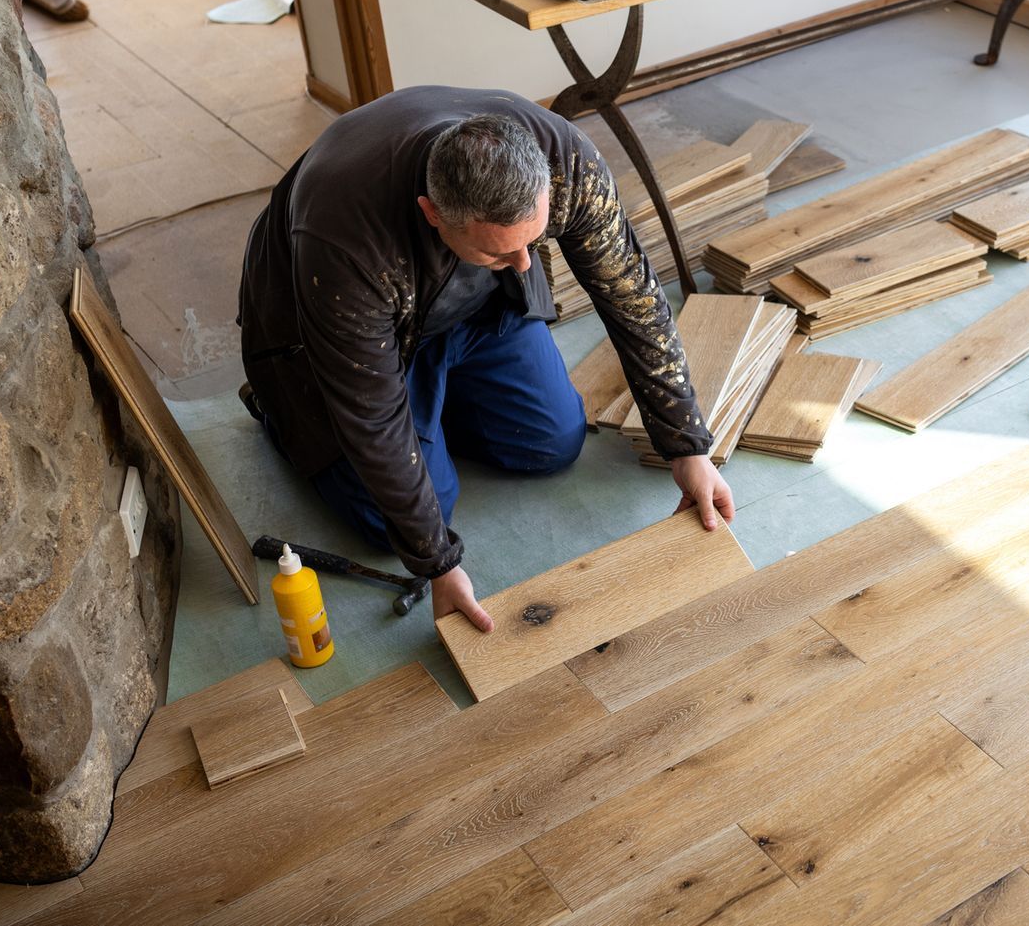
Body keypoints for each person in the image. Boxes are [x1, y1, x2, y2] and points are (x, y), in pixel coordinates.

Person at [236, 86, 733, 631]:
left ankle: (433, 405)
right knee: (395, 524)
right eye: (500, 250)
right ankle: (280, 408)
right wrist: (438, 564)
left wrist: (688, 448)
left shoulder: (563, 158)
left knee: (551, 442)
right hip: (337, 339)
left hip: (472, 308)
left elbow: (632, 298)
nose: (524, 264)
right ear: (432, 212)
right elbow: (371, 416)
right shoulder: (347, 245)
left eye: (533, 242)